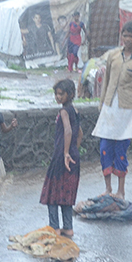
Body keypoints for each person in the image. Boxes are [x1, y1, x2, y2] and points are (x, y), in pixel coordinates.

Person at [92, 21, 132, 199]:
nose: (127, 39)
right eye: (125, 35)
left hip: (128, 110)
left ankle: (121, 190)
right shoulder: (113, 56)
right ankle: (108, 188)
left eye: (131, 36)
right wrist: (102, 102)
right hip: (110, 107)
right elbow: (107, 80)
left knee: (121, 150)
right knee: (104, 147)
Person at [41, 79, 83, 238]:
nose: (57, 97)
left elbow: (68, 131)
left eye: (61, 94)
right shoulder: (75, 111)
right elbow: (80, 134)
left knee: (52, 194)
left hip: (61, 156)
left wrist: (65, 153)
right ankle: (68, 227)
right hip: (73, 157)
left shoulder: (64, 111)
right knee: (67, 193)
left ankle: (55, 228)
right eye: (56, 94)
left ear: (70, 94)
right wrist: (73, 150)